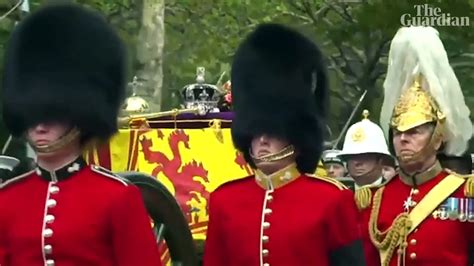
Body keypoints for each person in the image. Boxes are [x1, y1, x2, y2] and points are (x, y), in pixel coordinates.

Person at [0, 4, 163, 266]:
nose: (39, 126)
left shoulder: (118, 198)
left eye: (52, 114)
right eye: (32, 113)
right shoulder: (7, 200)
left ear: (80, 116)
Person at [203, 23, 366, 266]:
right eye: (255, 131)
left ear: (295, 135)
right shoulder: (223, 201)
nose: (262, 139)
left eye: (272, 130)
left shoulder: (332, 200)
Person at [360, 26, 474, 266]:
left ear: (438, 137)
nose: (403, 139)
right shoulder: (375, 198)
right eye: (398, 132)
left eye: (414, 131)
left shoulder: (465, 194)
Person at [338, 110, 394, 193]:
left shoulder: (395, 194)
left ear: (381, 160)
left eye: (365, 156)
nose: (357, 163)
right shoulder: (341, 197)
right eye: (351, 156)